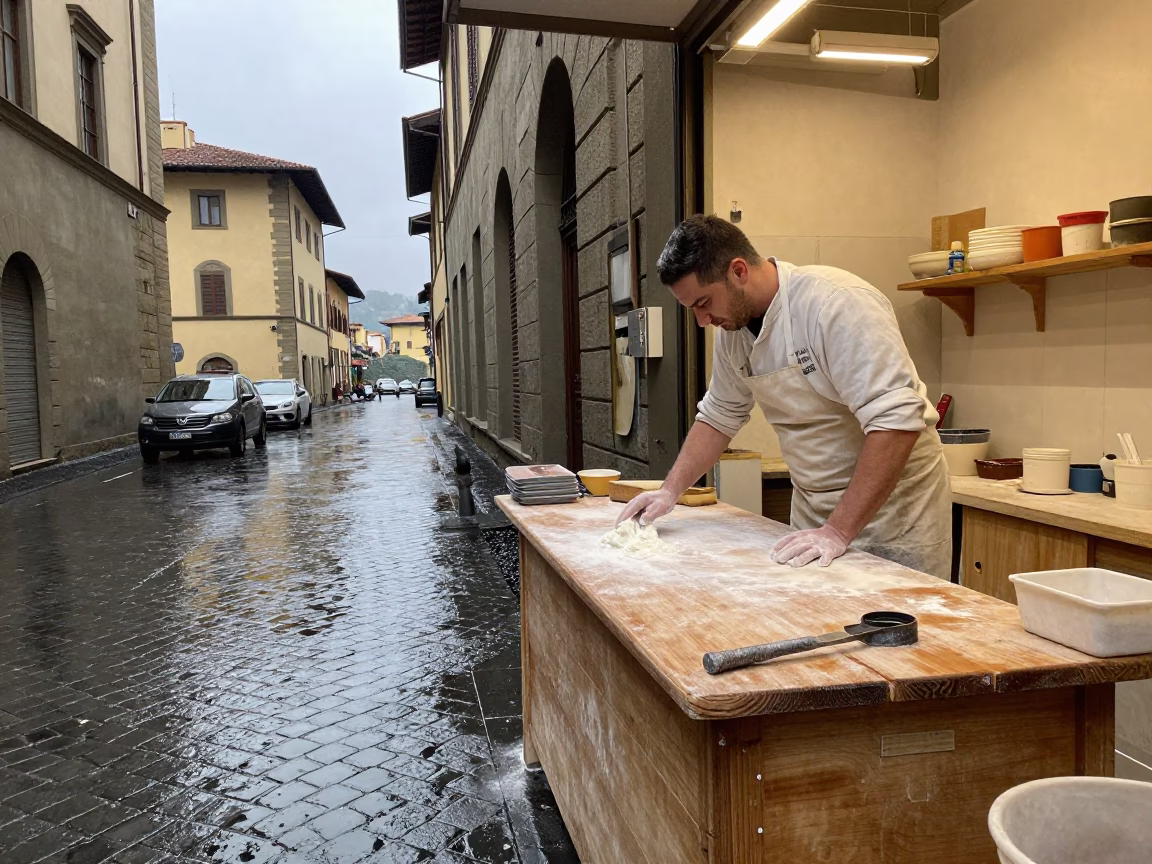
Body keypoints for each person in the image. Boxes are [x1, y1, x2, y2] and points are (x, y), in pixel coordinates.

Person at [617, 215, 951, 578]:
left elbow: (895, 421)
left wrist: (838, 530)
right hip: (814, 512)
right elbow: (718, 416)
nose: (702, 320)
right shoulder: (733, 332)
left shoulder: (836, 304)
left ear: (739, 271)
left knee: (897, 624)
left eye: (703, 303)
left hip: (894, 511)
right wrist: (670, 492)